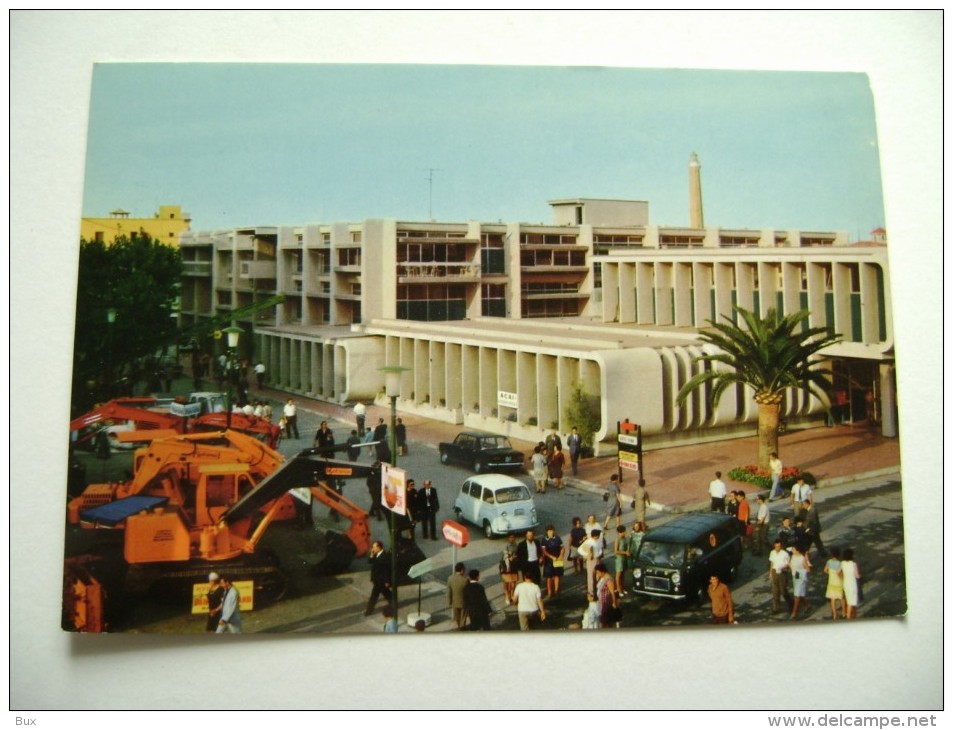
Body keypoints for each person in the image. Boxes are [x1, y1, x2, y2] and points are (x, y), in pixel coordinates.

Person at [364, 541, 392, 616]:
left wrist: (387, 581)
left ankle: (369, 611)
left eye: (374, 547)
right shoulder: (377, 554)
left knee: (374, 596)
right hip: (377, 579)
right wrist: (372, 555)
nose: (372, 549)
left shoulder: (384, 556)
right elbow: (370, 562)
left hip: (381, 580)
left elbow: (386, 570)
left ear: (379, 547)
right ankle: (394, 604)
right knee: (387, 594)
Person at [578, 528, 605, 596]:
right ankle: (591, 592)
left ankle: (598, 591)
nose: (599, 536)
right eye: (598, 535)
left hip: (598, 559)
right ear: (595, 535)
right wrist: (587, 556)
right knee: (591, 577)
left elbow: (601, 549)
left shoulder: (599, 541)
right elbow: (580, 550)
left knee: (598, 576)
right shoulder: (588, 542)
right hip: (591, 561)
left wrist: (601, 555)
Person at [768, 538, 793, 612]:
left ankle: (791, 605)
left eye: (778, 546)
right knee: (775, 592)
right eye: (776, 546)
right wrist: (770, 573)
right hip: (774, 572)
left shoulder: (785, 554)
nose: (777, 548)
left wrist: (786, 568)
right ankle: (776, 608)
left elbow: (789, 564)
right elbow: (772, 563)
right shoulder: (772, 552)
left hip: (782, 573)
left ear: (781, 546)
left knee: (783, 591)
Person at [541, 524, 565, 599]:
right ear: (547, 532)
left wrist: (561, 555)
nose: (550, 532)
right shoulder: (544, 539)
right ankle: (550, 592)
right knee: (549, 577)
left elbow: (562, 548)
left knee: (557, 575)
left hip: (557, 559)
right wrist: (551, 557)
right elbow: (544, 551)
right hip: (548, 561)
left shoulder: (557, 538)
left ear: (553, 531)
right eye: (549, 531)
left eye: (551, 531)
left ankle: (556, 591)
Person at [789, 543, 812, 619]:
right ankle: (807, 605)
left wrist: (800, 572)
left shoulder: (802, 558)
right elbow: (791, 565)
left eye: (793, 549)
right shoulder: (792, 556)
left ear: (797, 550)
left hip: (801, 577)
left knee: (797, 595)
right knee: (799, 593)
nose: (792, 550)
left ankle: (794, 612)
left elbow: (808, 569)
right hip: (795, 577)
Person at [595, 562, 621, 628]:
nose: (597, 574)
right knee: (605, 622)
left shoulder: (609, 580)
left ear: (602, 572)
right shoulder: (602, 578)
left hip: (607, 603)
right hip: (602, 603)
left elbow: (612, 593)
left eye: (598, 572)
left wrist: (614, 603)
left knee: (605, 622)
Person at [824, 546, 846, 620]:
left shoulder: (829, 562)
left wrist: (830, 573)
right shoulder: (840, 563)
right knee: (841, 598)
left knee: (832, 599)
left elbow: (825, 570)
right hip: (839, 582)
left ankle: (834, 614)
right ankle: (843, 613)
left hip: (831, 582)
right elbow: (841, 574)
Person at [840, 547, 861, 619]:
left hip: (845, 583)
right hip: (852, 584)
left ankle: (853, 617)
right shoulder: (853, 564)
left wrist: (842, 577)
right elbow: (857, 576)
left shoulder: (842, 563)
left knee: (849, 601)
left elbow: (837, 572)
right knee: (852, 602)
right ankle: (849, 618)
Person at [500, 533, 520, 605]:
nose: (512, 539)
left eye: (513, 537)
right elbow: (505, 556)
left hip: (514, 566)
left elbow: (517, 554)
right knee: (506, 583)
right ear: (508, 538)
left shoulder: (516, 545)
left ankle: (512, 595)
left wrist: (514, 556)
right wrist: (508, 562)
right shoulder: (505, 546)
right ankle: (507, 596)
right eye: (510, 537)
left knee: (513, 582)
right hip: (506, 567)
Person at [447, 562, 468, 629]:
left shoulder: (450, 579)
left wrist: (449, 602)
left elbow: (449, 592)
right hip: (464, 602)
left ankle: (459, 626)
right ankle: (462, 627)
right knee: (463, 617)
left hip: (454, 602)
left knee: (457, 617)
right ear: (462, 570)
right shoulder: (465, 580)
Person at [613, 525, 631, 596]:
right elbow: (616, 551)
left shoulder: (624, 538)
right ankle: (618, 589)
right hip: (619, 558)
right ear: (619, 533)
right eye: (623, 532)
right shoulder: (617, 539)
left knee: (623, 574)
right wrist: (625, 552)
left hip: (624, 558)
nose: (624, 533)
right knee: (618, 574)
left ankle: (622, 587)